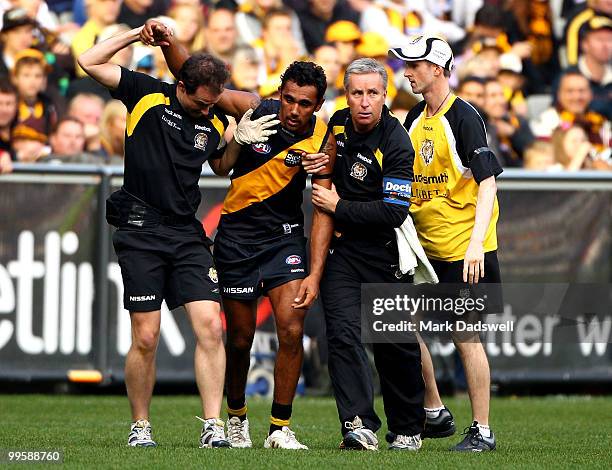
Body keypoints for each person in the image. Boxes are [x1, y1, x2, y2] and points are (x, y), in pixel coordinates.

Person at [141, 20, 335, 450]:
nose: (293, 110)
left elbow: (323, 207)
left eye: (304, 103)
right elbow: (194, 78)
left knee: (290, 329)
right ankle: (236, 419)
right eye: (288, 99)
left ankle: (280, 429)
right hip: (236, 240)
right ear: (279, 92)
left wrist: (315, 273)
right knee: (240, 337)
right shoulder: (254, 108)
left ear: (317, 105)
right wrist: (170, 44)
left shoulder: (324, 139)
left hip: (285, 240)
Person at [78, 24, 234, 449]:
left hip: (186, 234)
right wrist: (133, 36)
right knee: (146, 336)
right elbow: (88, 61)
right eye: (201, 103)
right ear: (182, 86)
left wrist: (236, 139)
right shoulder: (146, 93)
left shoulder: (215, 117)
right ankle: (141, 426)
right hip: (140, 230)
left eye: (213, 105)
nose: (207, 112)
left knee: (209, 327)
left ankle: (213, 426)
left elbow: (220, 167)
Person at [390, 34, 503, 451]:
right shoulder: (415, 117)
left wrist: (476, 244)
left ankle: (482, 430)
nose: (407, 71)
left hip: (461, 247)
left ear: (436, 68)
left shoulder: (464, 116)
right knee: (401, 323)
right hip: (425, 246)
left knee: (464, 335)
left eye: (414, 65)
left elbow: (487, 183)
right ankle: (434, 410)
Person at [307, 58, 425, 451]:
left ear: (384, 96)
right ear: (346, 94)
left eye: (372, 93)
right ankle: (359, 424)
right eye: (356, 92)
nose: (363, 102)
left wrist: (339, 207)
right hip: (345, 252)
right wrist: (318, 163)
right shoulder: (337, 123)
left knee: (395, 345)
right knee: (341, 333)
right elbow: (326, 159)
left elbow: (394, 211)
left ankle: (408, 429)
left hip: (385, 254)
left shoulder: (396, 142)